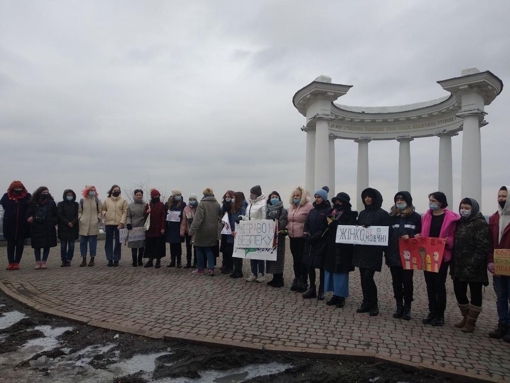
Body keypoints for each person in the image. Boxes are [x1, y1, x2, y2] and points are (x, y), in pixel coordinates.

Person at [416, 191, 459, 326]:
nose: (431, 202)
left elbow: (453, 235)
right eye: (430, 200)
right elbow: (423, 233)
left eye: (433, 200)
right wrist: (418, 236)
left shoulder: (450, 218)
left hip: (441, 256)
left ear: (441, 202)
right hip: (427, 255)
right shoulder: (426, 217)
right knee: (429, 285)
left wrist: (448, 241)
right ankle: (432, 311)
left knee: (439, 284)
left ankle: (440, 314)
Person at [451, 197, 491, 333]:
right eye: (462, 207)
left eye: (467, 208)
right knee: (459, 292)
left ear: (473, 208)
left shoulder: (480, 223)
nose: (464, 210)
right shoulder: (460, 222)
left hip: (474, 268)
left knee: (475, 294)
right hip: (459, 266)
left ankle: (471, 321)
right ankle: (465, 316)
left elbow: (483, 245)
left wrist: (474, 263)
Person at [352, 187, 390, 316]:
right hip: (361, 250)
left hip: (374, 251)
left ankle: (374, 304)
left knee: (368, 277)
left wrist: (372, 229)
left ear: (375, 198)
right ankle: (365, 302)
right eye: (365, 197)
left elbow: (385, 232)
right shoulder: (362, 213)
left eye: (370, 196)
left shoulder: (383, 214)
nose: (367, 199)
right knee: (363, 277)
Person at [385, 191, 421, 320]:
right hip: (393, 253)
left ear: (408, 201)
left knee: (407, 281)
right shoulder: (391, 216)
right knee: (396, 282)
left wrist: (411, 237)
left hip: (408, 256)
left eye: (402, 200)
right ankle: (399, 305)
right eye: (397, 200)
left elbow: (420, 235)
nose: (399, 202)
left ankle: (407, 307)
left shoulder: (416, 217)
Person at [324, 192, 357, 308]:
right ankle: (334, 294)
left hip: (344, 249)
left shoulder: (350, 215)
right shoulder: (332, 213)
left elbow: (348, 228)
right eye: (336, 202)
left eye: (340, 201)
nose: (337, 204)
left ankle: (341, 296)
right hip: (332, 246)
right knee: (331, 271)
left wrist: (333, 224)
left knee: (341, 272)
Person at [488, 186, 510, 340]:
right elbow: (490, 241)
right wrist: (490, 260)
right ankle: (503, 324)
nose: (501, 199)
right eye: (500, 196)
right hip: (498, 263)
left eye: (504, 196)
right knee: (501, 296)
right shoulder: (494, 217)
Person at [302, 189, 331, 300]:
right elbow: (307, 223)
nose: (317, 199)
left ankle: (321, 289)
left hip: (321, 243)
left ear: (324, 198)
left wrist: (315, 236)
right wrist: (305, 234)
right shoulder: (312, 211)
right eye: (315, 196)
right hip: (310, 243)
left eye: (319, 197)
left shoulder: (328, 211)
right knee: (310, 266)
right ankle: (312, 288)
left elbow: (325, 227)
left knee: (322, 267)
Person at [287, 186, 313, 292]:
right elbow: (289, 220)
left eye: (298, 195)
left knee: (302, 259)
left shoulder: (309, 206)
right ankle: (297, 278)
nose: (295, 197)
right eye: (294, 195)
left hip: (302, 237)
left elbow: (311, 221)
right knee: (295, 259)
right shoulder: (292, 206)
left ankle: (304, 280)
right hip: (292, 236)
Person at [189, 187, 221, 276]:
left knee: (199, 249)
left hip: (202, 230)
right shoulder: (217, 204)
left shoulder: (202, 204)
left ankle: (200, 269)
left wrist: (192, 230)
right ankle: (211, 269)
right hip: (213, 230)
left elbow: (198, 219)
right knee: (209, 249)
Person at [1, 181, 31, 270]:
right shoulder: (6, 196)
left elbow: (30, 207)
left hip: (22, 224)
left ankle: (17, 262)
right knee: (10, 244)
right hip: (9, 224)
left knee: (20, 244)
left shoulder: (28, 196)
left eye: (20, 188)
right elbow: (4, 205)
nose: (18, 189)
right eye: (16, 188)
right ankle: (10, 262)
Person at [27, 187, 58, 269]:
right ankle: (37, 261)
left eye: (47, 192)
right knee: (37, 246)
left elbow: (56, 214)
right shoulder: (34, 202)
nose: (45, 193)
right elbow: (29, 213)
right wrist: (31, 219)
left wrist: (53, 222)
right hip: (36, 227)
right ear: (39, 192)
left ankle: (44, 261)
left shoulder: (51, 203)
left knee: (47, 245)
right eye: (43, 192)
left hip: (48, 227)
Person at [265, 191, 288, 288]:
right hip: (269, 237)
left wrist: (275, 225)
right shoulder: (267, 209)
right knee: (271, 258)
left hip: (278, 236)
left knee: (278, 258)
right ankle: (274, 277)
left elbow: (283, 222)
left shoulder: (282, 210)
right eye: (272, 197)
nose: (274, 198)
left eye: (276, 196)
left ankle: (279, 278)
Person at [245, 185, 267, 282]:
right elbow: (247, 217)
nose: (251, 195)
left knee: (259, 254)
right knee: (252, 253)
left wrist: (259, 229)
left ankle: (261, 273)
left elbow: (264, 219)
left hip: (258, 232)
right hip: (250, 232)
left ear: (257, 194)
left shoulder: (263, 204)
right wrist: (241, 218)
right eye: (251, 193)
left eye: (253, 193)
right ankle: (253, 273)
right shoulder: (250, 204)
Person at [102, 184, 128, 267]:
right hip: (108, 223)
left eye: (118, 190)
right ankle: (109, 259)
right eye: (114, 190)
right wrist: (105, 214)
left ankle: (116, 259)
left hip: (118, 223)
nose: (116, 191)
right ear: (111, 191)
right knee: (108, 242)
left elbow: (125, 212)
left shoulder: (123, 200)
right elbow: (103, 209)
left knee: (118, 242)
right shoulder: (107, 200)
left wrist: (122, 222)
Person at [78, 186, 102, 267]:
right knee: (83, 243)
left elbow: (100, 211)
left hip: (93, 224)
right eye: (91, 190)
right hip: (84, 224)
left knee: (93, 243)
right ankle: (83, 259)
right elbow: (79, 211)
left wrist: (98, 218)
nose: (93, 192)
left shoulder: (97, 200)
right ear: (87, 191)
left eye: (94, 190)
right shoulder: (82, 201)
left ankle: (92, 259)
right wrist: (80, 218)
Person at [144, 189, 166, 268]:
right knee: (150, 245)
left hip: (158, 228)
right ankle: (150, 260)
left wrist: (163, 227)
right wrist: (147, 212)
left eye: (158, 196)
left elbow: (163, 217)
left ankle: (158, 260)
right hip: (150, 228)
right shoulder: (148, 205)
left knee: (158, 245)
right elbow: (145, 216)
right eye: (155, 196)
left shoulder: (161, 205)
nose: (156, 197)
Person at [57, 189, 79, 267]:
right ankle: (63, 260)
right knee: (63, 245)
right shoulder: (60, 204)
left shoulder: (76, 204)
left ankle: (69, 259)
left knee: (71, 245)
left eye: (71, 195)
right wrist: (67, 222)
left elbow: (78, 215)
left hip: (73, 227)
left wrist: (72, 222)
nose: (70, 196)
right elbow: (59, 214)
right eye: (68, 195)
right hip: (63, 227)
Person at [165, 188, 186, 268]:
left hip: (178, 227)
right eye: (177, 195)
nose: (179, 196)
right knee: (172, 245)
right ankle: (172, 261)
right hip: (171, 227)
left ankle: (179, 261)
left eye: (180, 195)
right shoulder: (168, 204)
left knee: (178, 245)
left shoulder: (183, 204)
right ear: (173, 196)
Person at [230, 192, 248, 278]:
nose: (232, 198)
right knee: (234, 253)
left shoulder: (243, 206)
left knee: (238, 253)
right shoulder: (235, 206)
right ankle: (235, 269)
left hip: (239, 231)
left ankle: (239, 270)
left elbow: (242, 218)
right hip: (234, 230)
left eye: (234, 197)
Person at [126, 189, 146, 267]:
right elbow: (128, 216)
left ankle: (140, 260)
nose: (139, 196)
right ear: (134, 195)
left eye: (140, 195)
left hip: (142, 225)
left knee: (141, 245)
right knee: (133, 244)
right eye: (137, 195)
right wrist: (128, 223)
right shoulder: (130, 205)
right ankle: (134, 260)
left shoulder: (145, 204)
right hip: (133, 225)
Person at [219, 190, 235, 274]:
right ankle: (224, 264)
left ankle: (230, 265)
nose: (228, 198)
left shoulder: (233, 206)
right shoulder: (223, 206)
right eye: (226, 196)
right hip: (224, 229)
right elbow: (220, 215)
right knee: (224, 248)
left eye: (229, 197)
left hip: (230, 230)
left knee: (229, 249)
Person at [181, 193, 198, 268]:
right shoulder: (186, 208)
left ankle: (195, 262)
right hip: (188, 231)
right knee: (188, 247)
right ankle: (188, 262)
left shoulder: (198, 207)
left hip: (196, 231)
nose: (192, 201)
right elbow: (183, 221)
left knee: (196, 248)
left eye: (193, 199)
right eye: (190, 200)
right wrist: (182, 231)